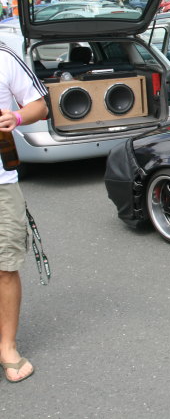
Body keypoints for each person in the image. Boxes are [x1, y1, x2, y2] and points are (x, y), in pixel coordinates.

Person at [0, 40, 49, 383]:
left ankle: (7, 346)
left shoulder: (3, 59)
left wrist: (15, 117)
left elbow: (40, 106)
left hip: (0, 183)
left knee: (5, 265)